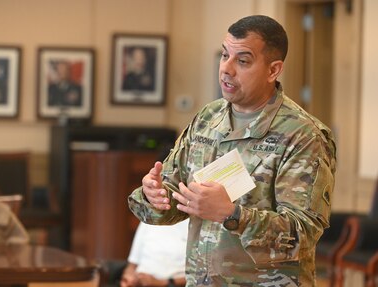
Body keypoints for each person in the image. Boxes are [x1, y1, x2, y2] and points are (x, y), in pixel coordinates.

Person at [128, 15, 337, 286]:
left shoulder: (303, 135)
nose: (227, 69)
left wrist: (232, 214)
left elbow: (302, 234)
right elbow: (172, 201)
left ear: (273, 70)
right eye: (225, 55)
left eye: (242, 61)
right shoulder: (207, 118)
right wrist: (153, 196)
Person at [120, 220, 188, 287]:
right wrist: (129, 277)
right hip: (141, 283)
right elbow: (132, 265)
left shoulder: (192, 222)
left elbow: (197, 277)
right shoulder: (147, 220)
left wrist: (161, 282)